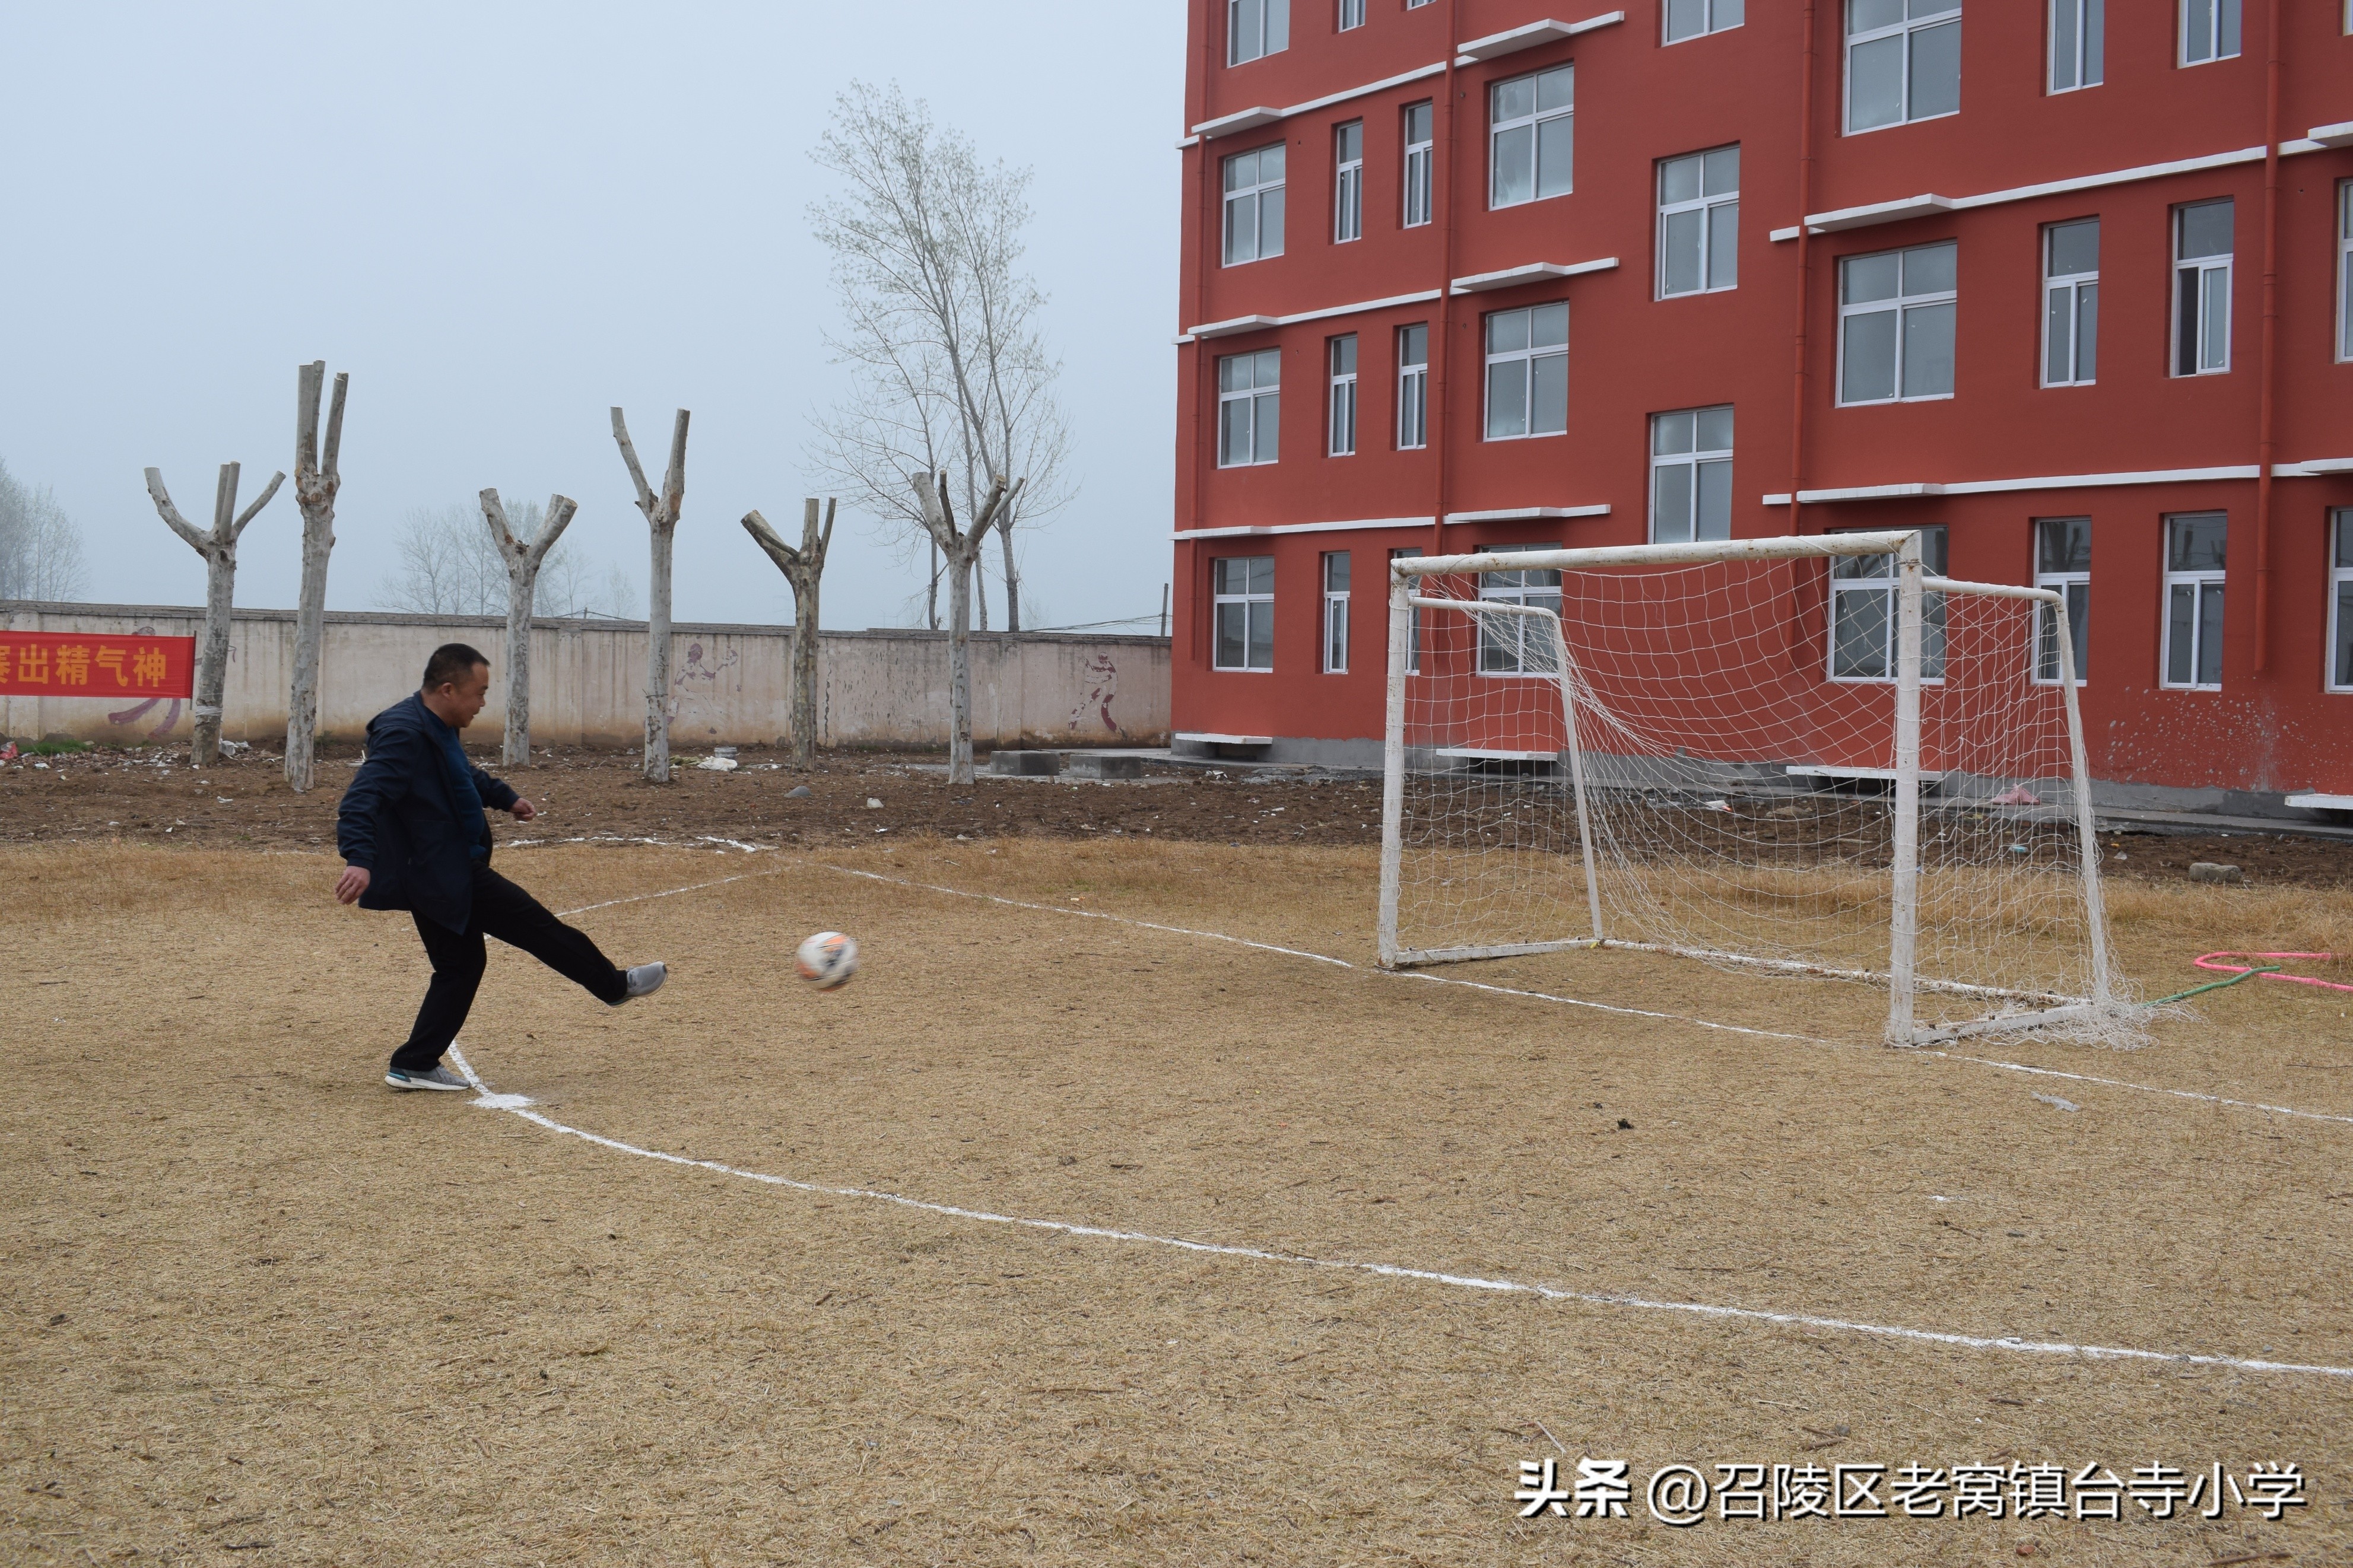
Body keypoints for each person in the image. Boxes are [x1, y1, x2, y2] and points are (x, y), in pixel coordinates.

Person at [335, 642, 665, 1090]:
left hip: (439, 869)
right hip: (444, 872)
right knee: (537, 926)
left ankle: (413, 1063)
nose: (484, 702)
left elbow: (460, 774)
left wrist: (505, 797)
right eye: (480, 692)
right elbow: (362, 798)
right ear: (449, 689)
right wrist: (359, 858)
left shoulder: (436, 725)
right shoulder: (404, 733)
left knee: (460, 966)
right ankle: (614, 985)